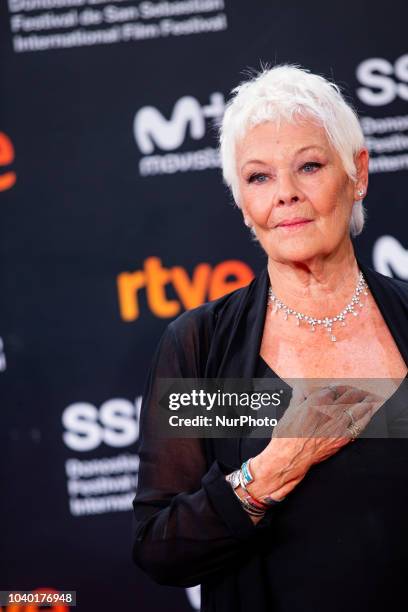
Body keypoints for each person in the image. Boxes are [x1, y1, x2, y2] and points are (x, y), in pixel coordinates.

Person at [131, 65, 408, 612]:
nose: (285, 195)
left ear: (358, 174)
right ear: (241, 201)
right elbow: (161, 548)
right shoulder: (202, 347)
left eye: (309, 166)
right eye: (259, 177)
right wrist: (268, 473)